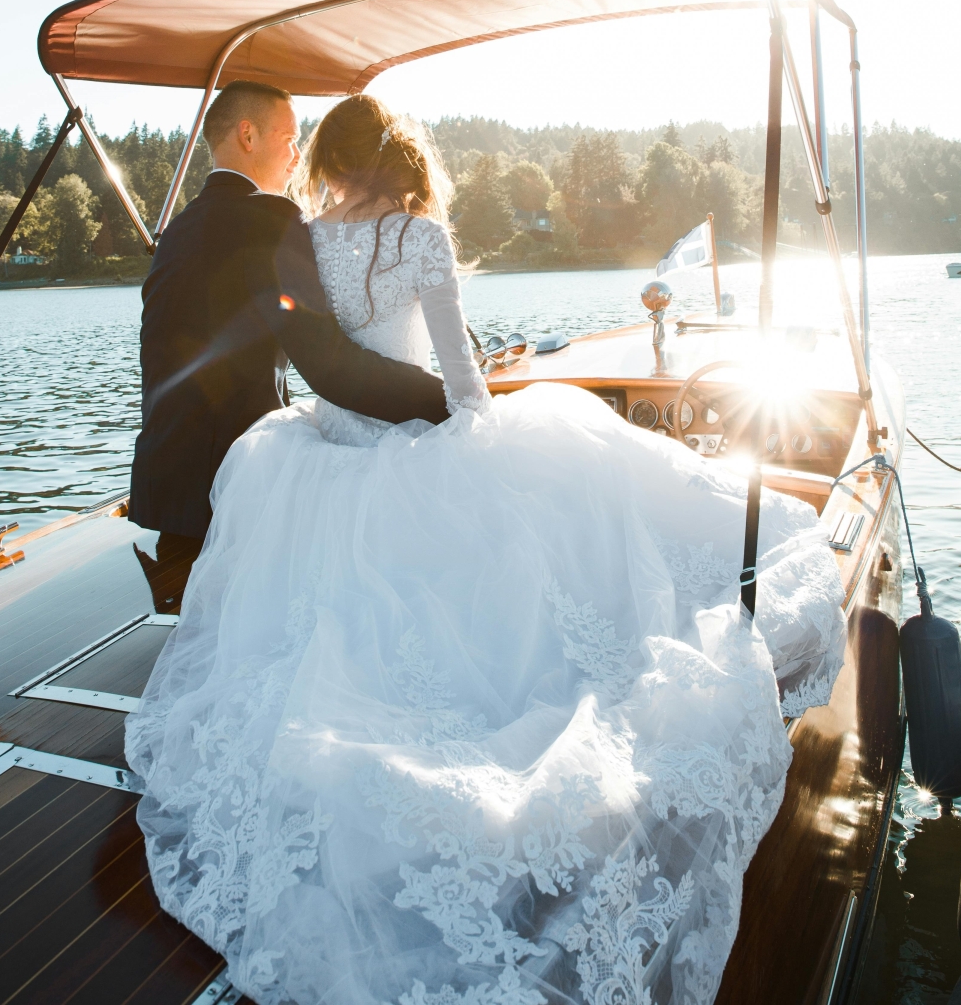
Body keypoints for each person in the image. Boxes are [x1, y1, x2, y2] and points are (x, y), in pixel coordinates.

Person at [125, 95, 847, 1005]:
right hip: (414, 421)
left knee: (342, 622)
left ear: (331, 167)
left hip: (325, 448)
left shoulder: (297, 238)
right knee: (526, 548)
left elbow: (319, 360)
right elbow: (460, 372)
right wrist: (471, 415)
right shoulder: (416, 240)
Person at [129, 82, 448, 604]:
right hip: (236, 488)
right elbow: (331, 368)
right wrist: (449, 403)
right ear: (247, 135)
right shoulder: (271, 220)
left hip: (164, 487)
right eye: (290, 138)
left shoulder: (181, 228)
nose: (299, 156)